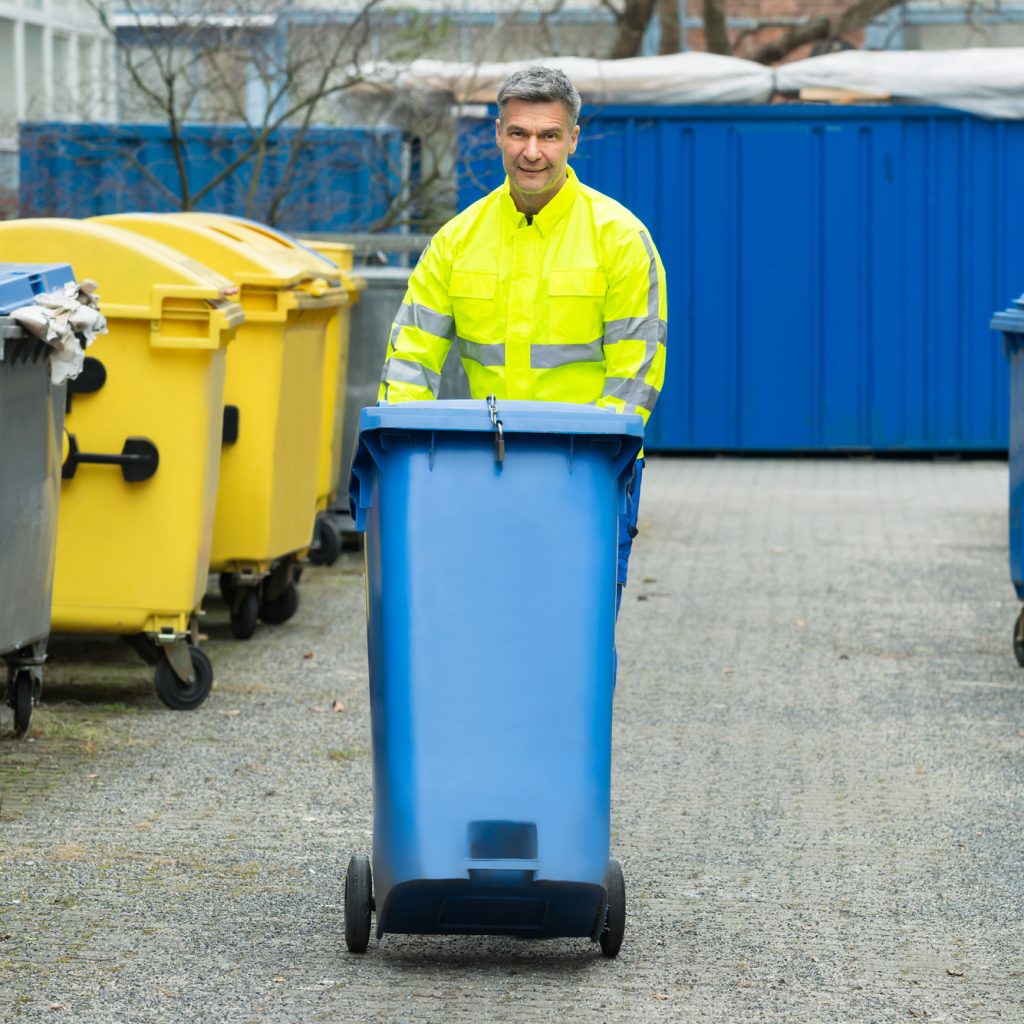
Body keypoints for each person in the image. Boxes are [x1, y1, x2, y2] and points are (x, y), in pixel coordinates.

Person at [378, 65, 667, 607]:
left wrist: (592, 464)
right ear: (498, 134)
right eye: (519, 133)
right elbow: (409, 361)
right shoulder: (457, 241)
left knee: (570, 627)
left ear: (573, 140)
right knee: (481, 622)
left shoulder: (621, 240)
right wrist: (407, 459)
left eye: (549, 135)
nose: (532, 151)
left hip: (588, 471)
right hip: (479, 470)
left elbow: (637, 372)